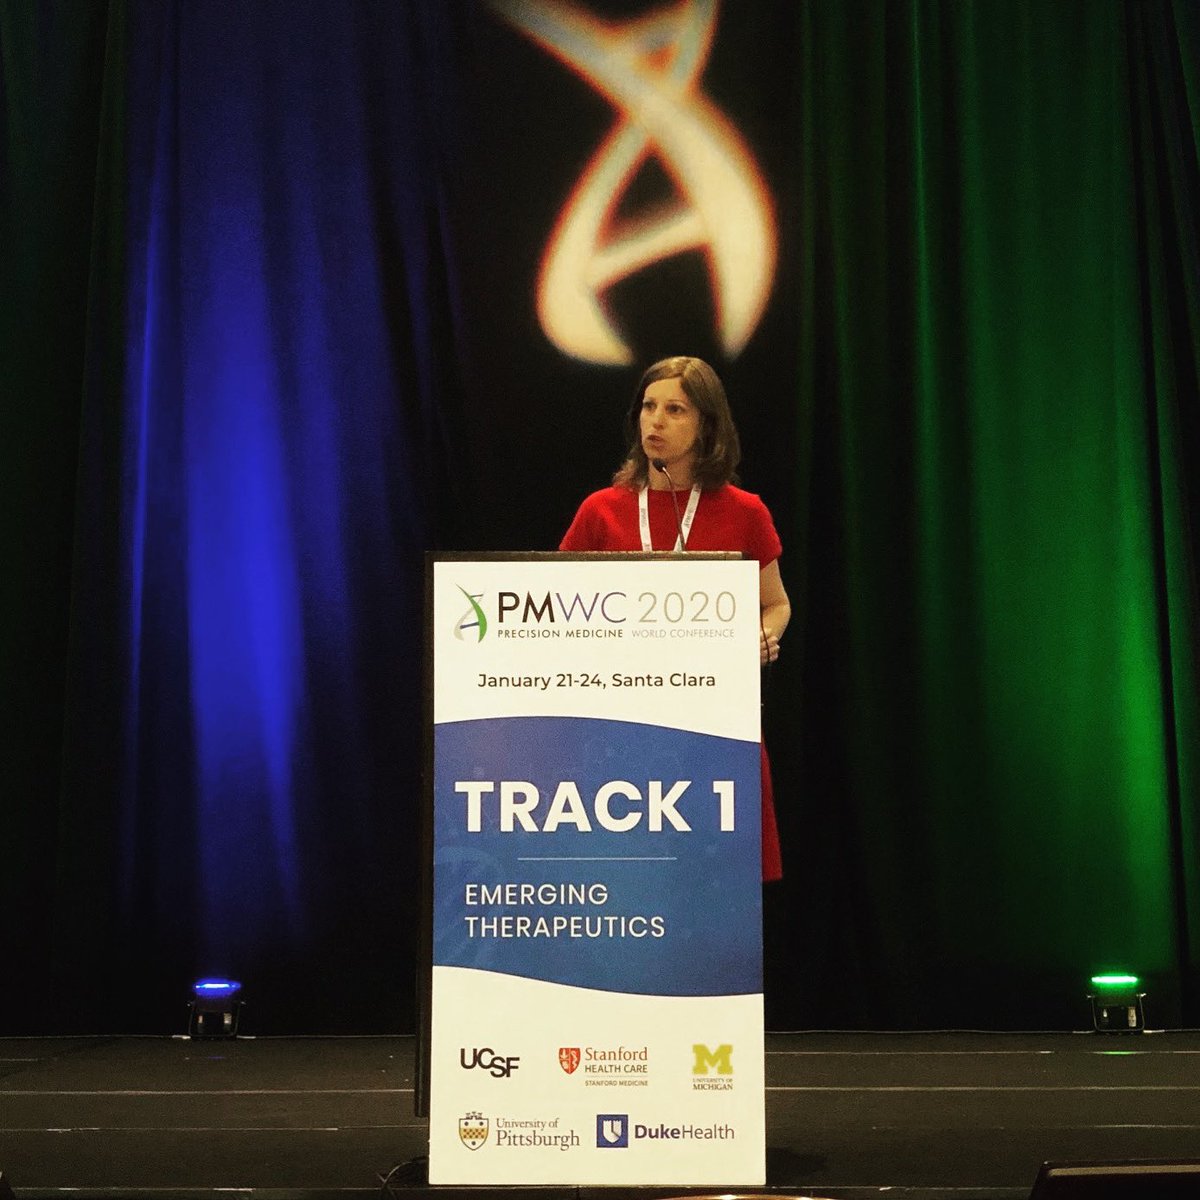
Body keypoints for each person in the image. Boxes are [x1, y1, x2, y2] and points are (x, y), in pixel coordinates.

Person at [559, 355, 790, 880]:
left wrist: (761, 638)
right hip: (619, 729)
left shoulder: (745, 512)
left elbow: (776, 603)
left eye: (675, 410)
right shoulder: (601, 510)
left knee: (714, 883)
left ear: (707, 424)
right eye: (648, 407)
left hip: (714, 730)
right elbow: (560, 609)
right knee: (631, 879)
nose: (656, 421)